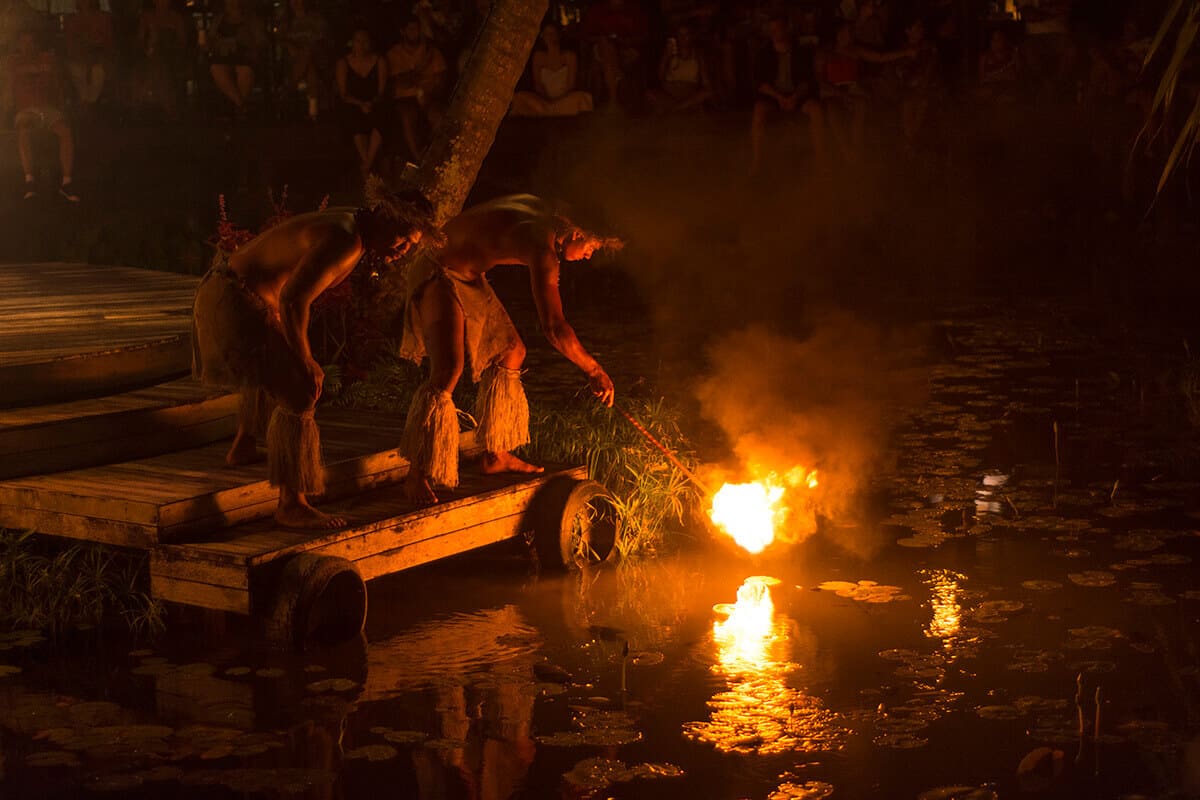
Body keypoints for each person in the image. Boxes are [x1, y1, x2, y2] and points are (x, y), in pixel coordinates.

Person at [192, 178, 434, 529]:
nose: (404, 251)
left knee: (278, 361)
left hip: (230, 289)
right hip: (234, 299)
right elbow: (293, 299)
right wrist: (305, 359)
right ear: (385, 217)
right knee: (302, 387)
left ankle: (244, 443)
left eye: (412, 245)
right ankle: (292, 504)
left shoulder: (353, 224)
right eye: (403, 239)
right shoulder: (345, 240)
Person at [398, 194, 619, 506]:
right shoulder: (542, 249)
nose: (588, 255)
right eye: (590, 247)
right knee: (448, 369)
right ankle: (416, 474)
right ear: (576, 233)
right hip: (437, 269)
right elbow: (554, 328)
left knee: (512, 351)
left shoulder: (543, 211)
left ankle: (495, 454)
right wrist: (594, 370)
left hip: (468, 274)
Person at [6, 29, 79, 202]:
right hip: (26, 110)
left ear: (37, 44)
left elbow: (58, 85)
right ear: (19, 45)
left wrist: (62, 106)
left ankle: (66, 182)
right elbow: (8, 88)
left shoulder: (48, 60)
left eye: (31, 42)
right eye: (24, 43)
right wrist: (5, 111)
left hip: (48, 109)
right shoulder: (14, 62)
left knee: (65, 132)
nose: (28, 47)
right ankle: (29, 181)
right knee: (24, 130)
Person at [750, 14, 823, 174]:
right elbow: (760, 83)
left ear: (786, 29)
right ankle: (757, 162)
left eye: (778, 29)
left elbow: (807, 79)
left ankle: (821, 160)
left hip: (797, 95)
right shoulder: (764, 53)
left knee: (816, 109)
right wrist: (779, 97)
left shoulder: (800, 51)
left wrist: (795, 97)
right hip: (774, 97)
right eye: (772, 30)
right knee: (759, 110)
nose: (774, 33)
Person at [386, 15, 447, 160]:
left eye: (417, 29)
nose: (415, 32)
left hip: (430, 96)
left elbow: (440, 80)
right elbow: (401, 81)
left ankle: (439, 156)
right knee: (408, 117)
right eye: (411, 29)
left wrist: (428, 91)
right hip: (406, 98)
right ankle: (418, 159)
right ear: (403, 31)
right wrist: (423, 67)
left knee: (438, 117)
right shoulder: (394, 53)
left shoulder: (432, 51)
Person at [509, 21, 593, 118]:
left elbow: (571, 84)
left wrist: (559, 100)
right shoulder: (538, 57)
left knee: (582, 97)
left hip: (564, 100)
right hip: (544, 101)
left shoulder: (569, 56)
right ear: (542, 36)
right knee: (519, 97)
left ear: (559, 35)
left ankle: (549, 111)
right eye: (547, 34)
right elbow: (537, 83)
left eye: (552, 33)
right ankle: (551, 110)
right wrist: (546, 100)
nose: (550, 37)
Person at [335, 28, 387, 178]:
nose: (362, 45)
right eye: (358, 41)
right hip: (353, 104)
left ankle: (366, 165)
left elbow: (381, 91)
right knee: (353, 118)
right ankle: (368, 165)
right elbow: (343, 94)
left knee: (381, 116)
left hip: (373, 103)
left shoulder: (379, 61)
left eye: (365, 41)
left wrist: (370, 103)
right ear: (352, 43)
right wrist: (360, 104)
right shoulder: (343, 63)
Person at [205, 0, 266, 116]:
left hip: (246, 60)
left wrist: (248, 42)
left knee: (244, 71)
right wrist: (213, 44)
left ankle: (238, 109)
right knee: (216, 68)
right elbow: (210, 41)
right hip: (224, 59)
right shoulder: (218, 20)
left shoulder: (252, 20)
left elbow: (261, 43)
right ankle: (241, 105)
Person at [651, 23, 713, 113]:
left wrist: (704, 90)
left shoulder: (697, 55)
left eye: (686, 34)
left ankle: (676, 108)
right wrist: (666, 56)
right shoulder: (670, 53)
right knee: (650, 94)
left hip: (689, 94)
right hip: (670, 93)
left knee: (708, 92)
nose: (683, 38)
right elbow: (660, 77)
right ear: (676, 37)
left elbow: (706, 82)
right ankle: (684, 107)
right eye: (680, 35)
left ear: (691, 36)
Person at [64, 0, 114, 108]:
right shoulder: (72, 20)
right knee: (77, 71)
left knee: (97, 73)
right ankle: (85, 104)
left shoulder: (104, 19)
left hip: (99, 61)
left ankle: (90, 105)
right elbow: (70, 47)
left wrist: (98, 54)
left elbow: (108, 44)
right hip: (78, 60)